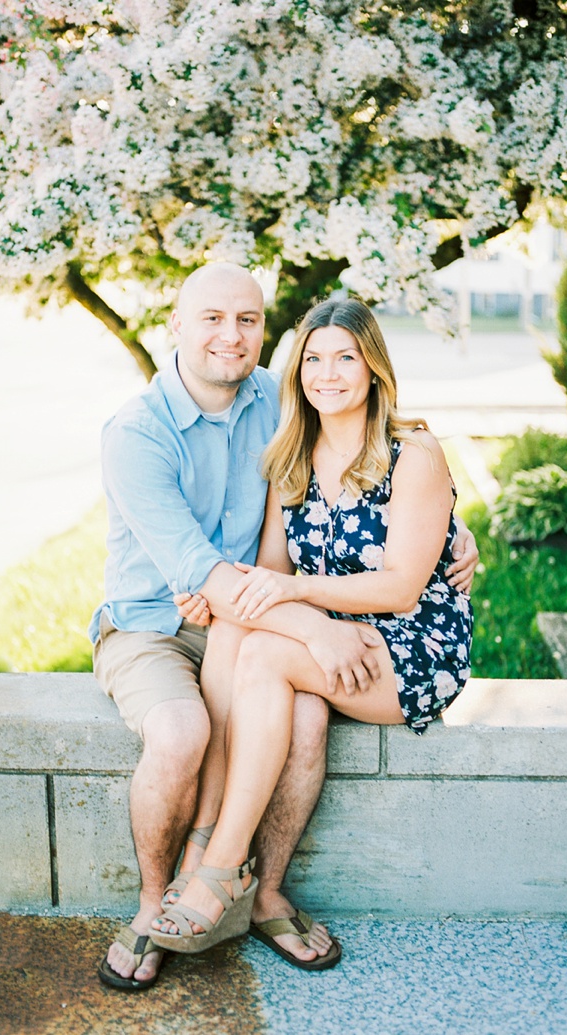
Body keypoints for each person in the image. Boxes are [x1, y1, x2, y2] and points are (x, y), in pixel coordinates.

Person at [91, 264, 478, 988]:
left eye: (247, 321)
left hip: (353, 631)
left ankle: (232, 876)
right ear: (175, 325)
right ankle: (159, 902)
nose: (230, 336)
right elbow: (232, 577)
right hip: (158, 620)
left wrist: (452, 533)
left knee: (282, 684)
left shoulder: (279, 401)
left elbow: (341, 575)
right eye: (211, 318)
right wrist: (315, 628)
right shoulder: (141, 434)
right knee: (193, 721)